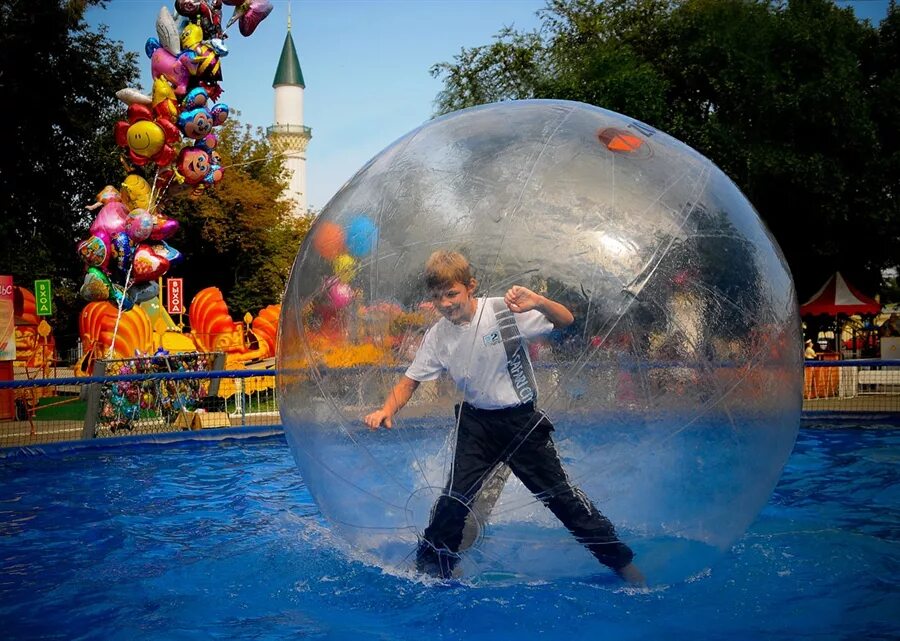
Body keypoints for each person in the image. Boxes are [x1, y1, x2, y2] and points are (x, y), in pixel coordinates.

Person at [364, 250, 645, 585]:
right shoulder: (438, 335)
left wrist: (539, 301)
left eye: (452, 294)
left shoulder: (502, 311)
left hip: (521, 424)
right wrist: (387, 409)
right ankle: (433, 571)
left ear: (471, 287)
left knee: (561, 500)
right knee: (453, 501)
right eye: (437, 297)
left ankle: (624, 566)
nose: (445, 303)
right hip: (476, 425)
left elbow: (565, 319)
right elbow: (410, 380)